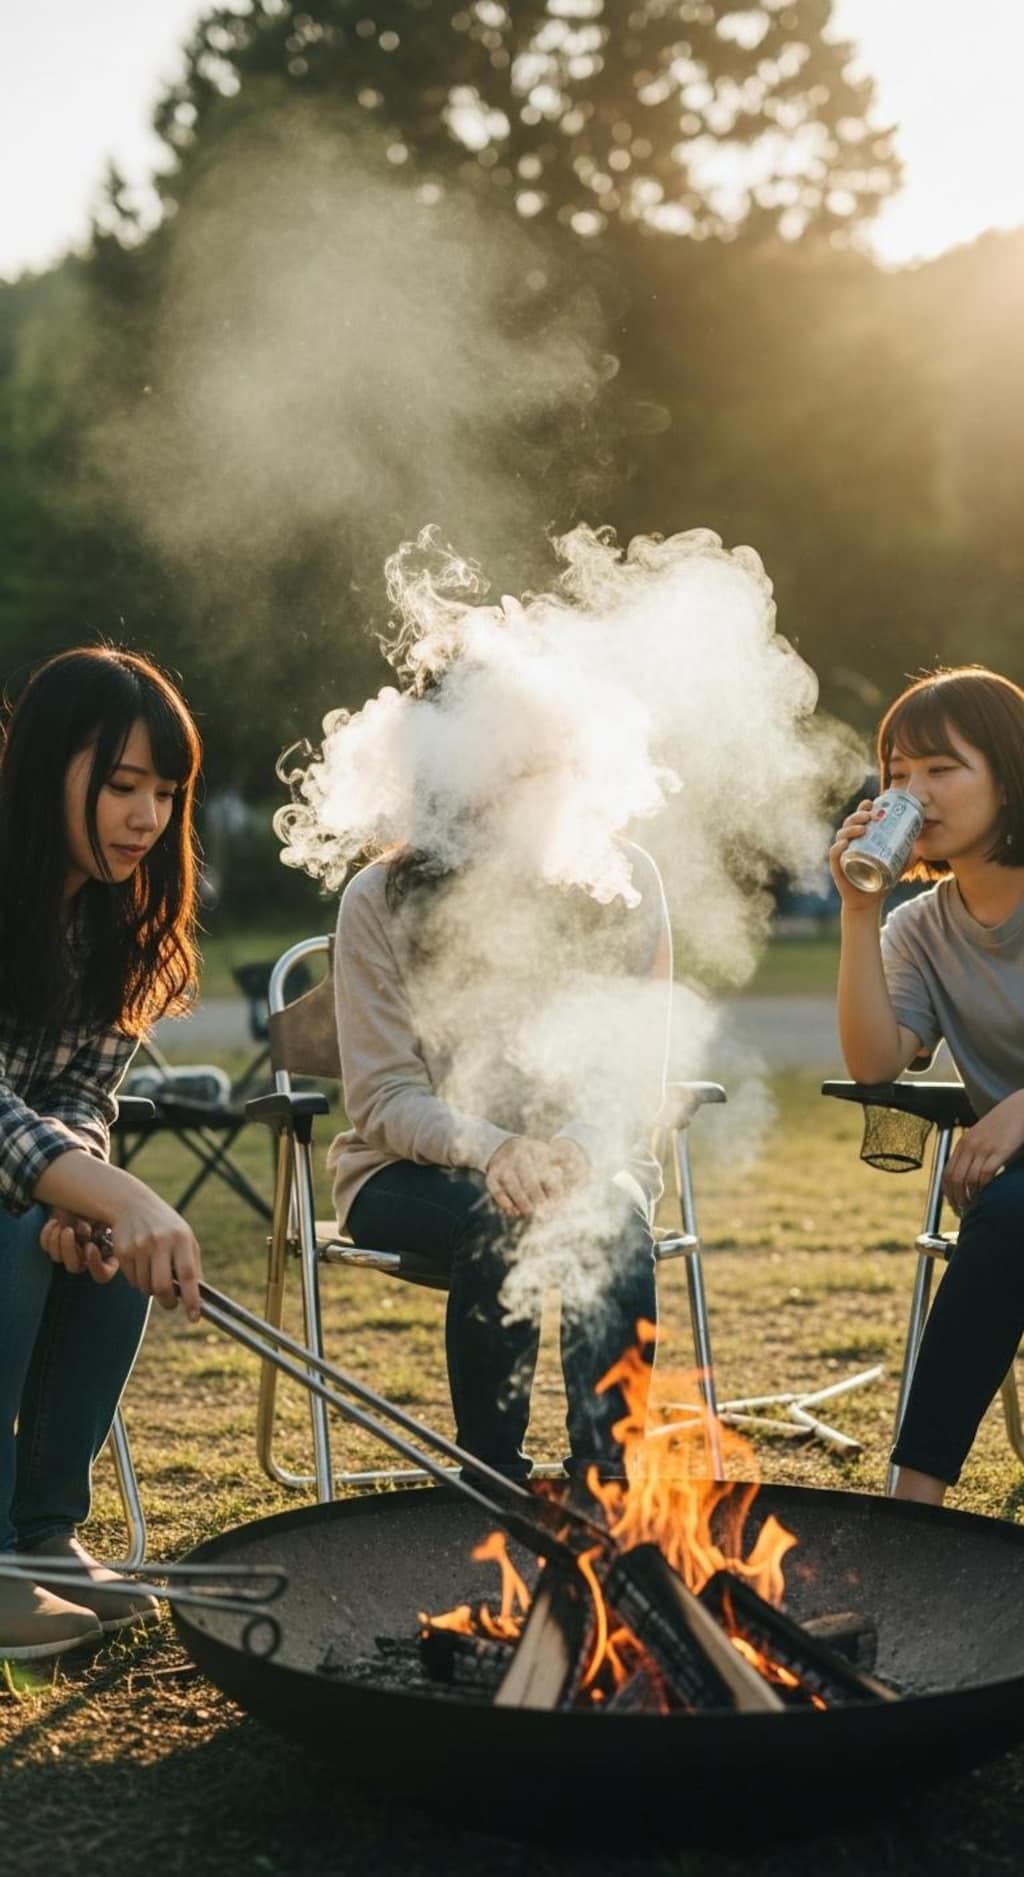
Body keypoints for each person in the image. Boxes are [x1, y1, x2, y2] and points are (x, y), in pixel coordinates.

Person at [329, 837, 672, 1487]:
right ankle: (492, 1484)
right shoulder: (377, 895)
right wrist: (495, 1148)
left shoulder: (624, 876)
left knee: (612, 1219)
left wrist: (575, 1146)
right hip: (407, 1169)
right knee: (500, 1217)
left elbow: (633, 1076)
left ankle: (607, 1486)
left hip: (588, 1155)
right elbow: (384, 1098)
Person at [0, 647, 205, 1660]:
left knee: (91, 1241)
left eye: (164, 793)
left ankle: (42, 1536)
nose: (146, 817)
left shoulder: (114, 922)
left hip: (15, 1184)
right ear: (48, 767)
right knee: (19, 1227)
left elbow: (80, 1096)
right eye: (122, 784)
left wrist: (87, 1195)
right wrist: (99, 1185)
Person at [829, 665, 1024, 1504]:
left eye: (943, 769)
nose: (917, 792)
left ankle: (913, 1501)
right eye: (899, 774)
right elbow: (876, 1061)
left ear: (1010, 776)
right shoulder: (920, 928)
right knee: (1012, 1212)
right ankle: (914, 1512)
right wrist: (858, 913)